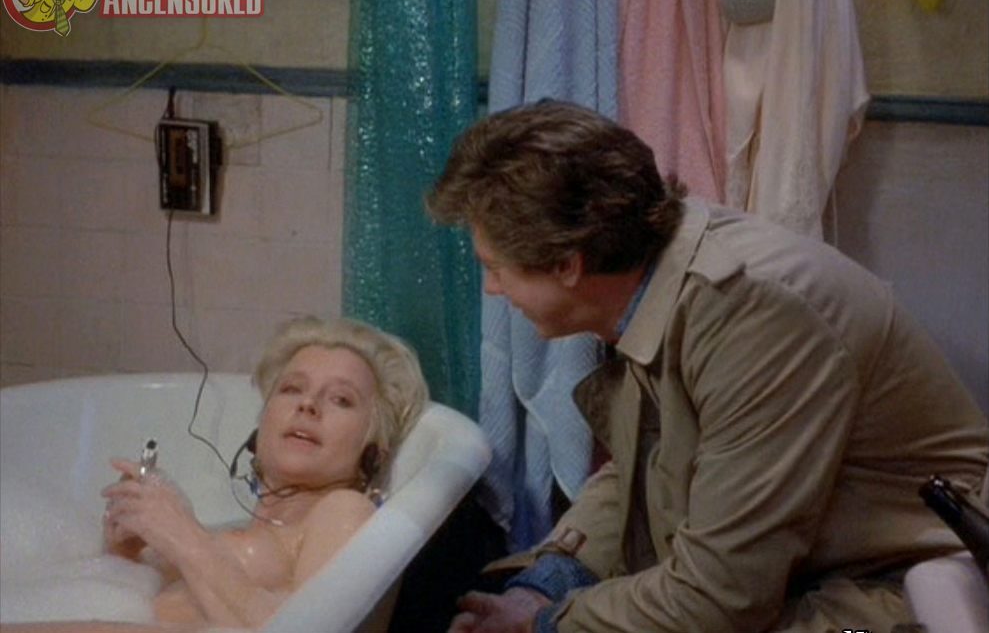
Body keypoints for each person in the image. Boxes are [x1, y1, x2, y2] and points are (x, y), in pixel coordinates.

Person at [426, 100, 989, 633]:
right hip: (816, 568)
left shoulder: (750, 317)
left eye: (495, 267)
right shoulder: (653, 275)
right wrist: (546, 584)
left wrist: (546, 622)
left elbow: (721, 598)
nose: (493, 289)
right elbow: (642, 471)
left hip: (917, 584)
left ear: (567, 265)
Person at [0, 316, 427, 633]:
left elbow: (309, 627)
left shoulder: (343, 510)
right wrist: (125, 553)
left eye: (341, 399)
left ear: (373, 449)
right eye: (291, 388)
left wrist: (179, 532)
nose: (307, 405)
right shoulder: (240, 531)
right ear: (260, 423)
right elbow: (134, 600)